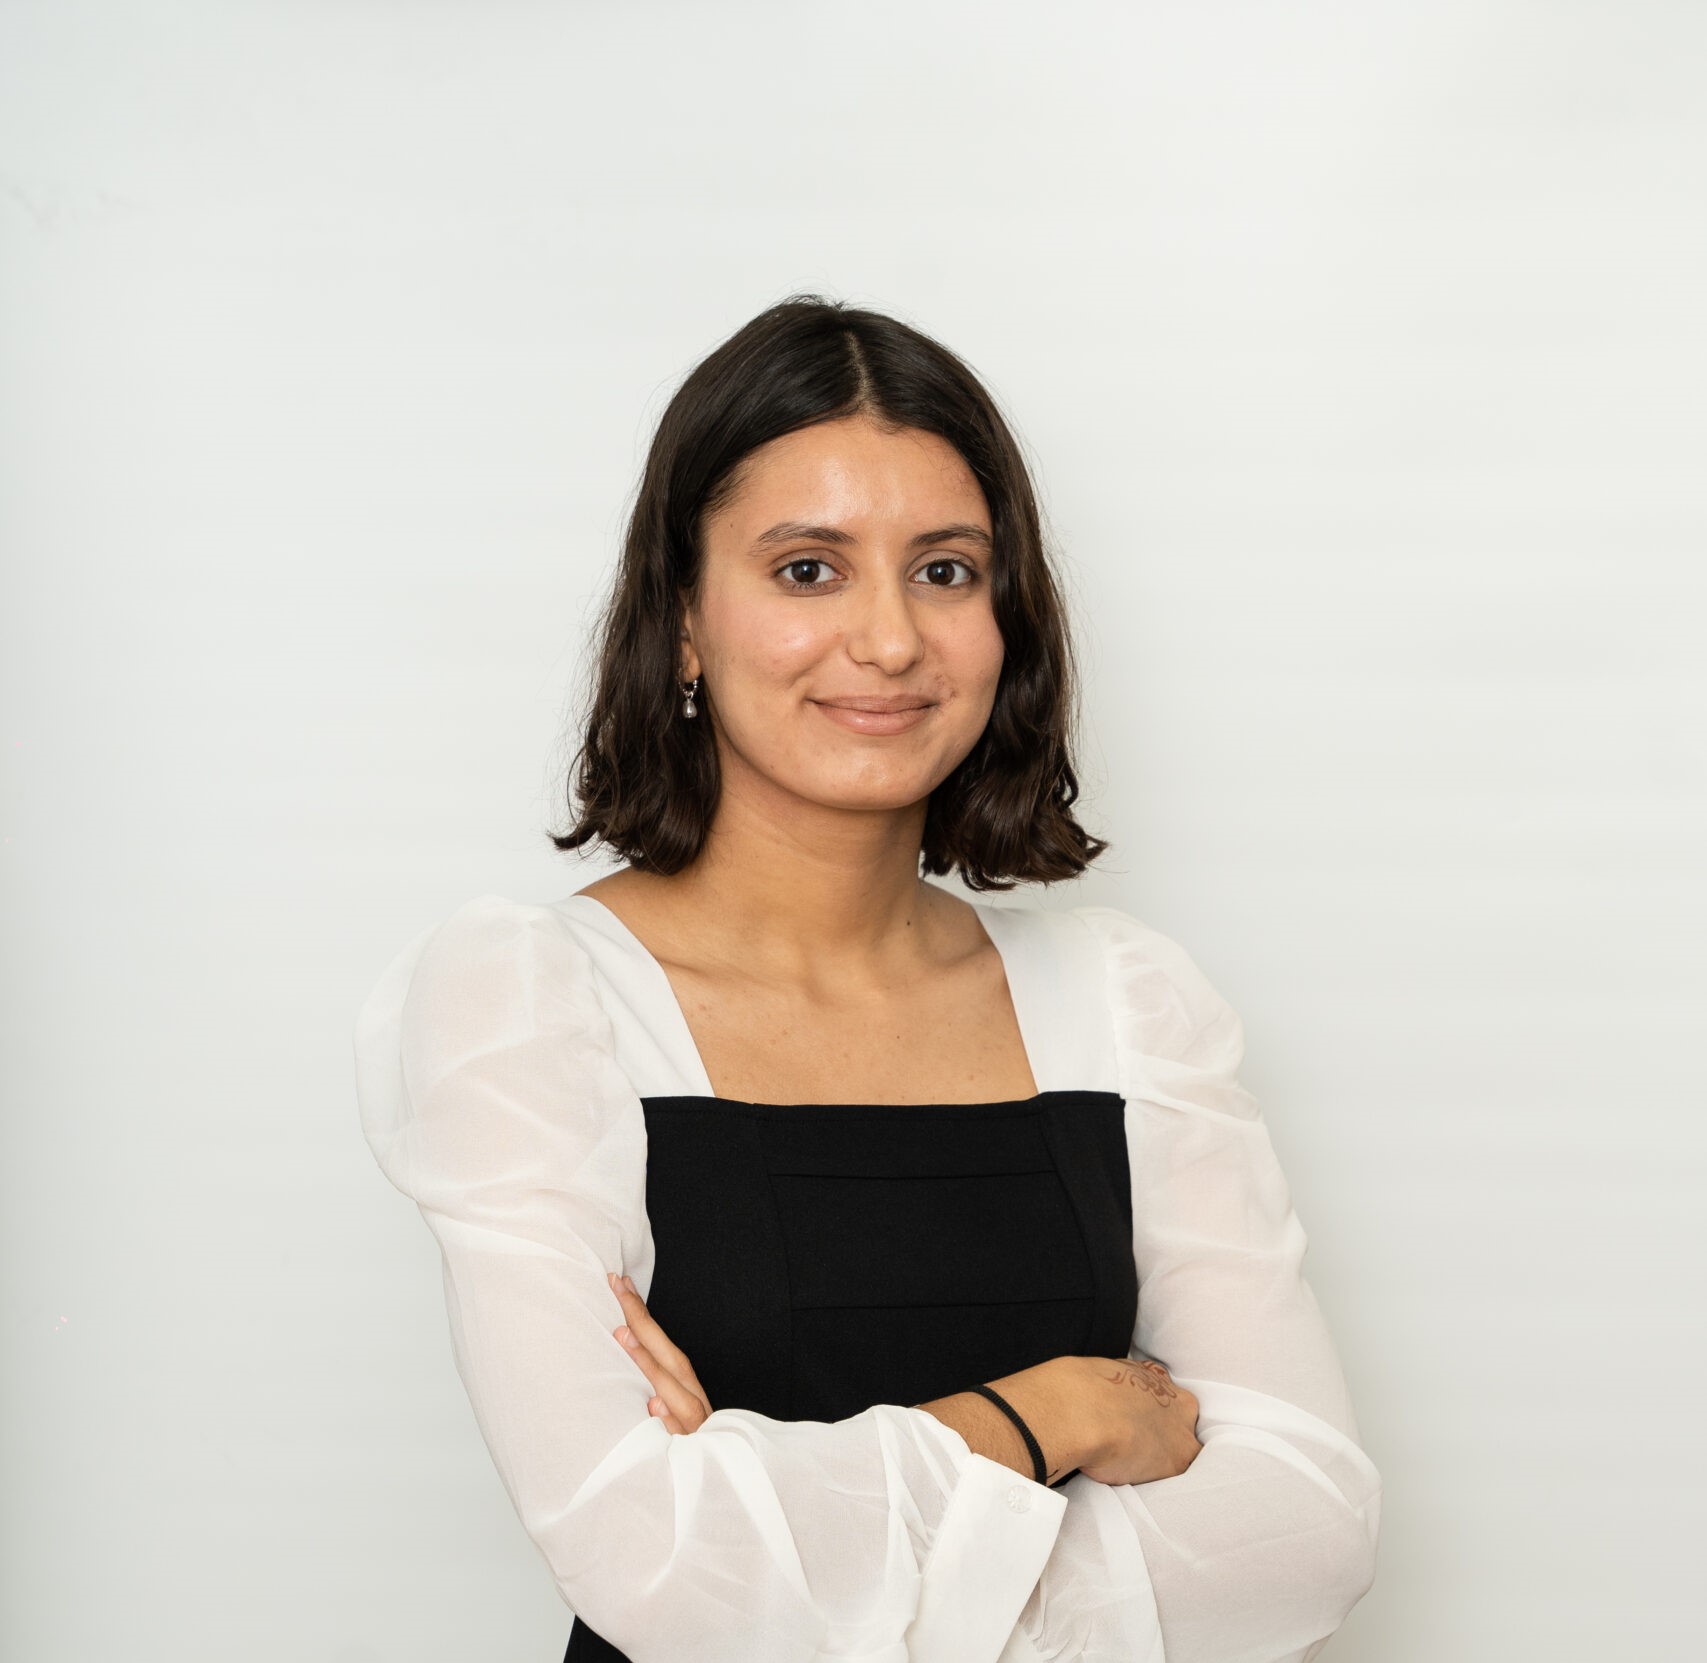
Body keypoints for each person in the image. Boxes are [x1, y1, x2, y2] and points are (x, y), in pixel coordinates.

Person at [353, 295, 1381, 1663]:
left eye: (946, 571)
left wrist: (776, 1519)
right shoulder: (533, 1001)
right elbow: (654, 1567)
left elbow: (1305, 1540)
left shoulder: (1127, 1005)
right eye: (807, 570)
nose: (891, 641)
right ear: (684, 619)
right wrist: (1055, 1414)